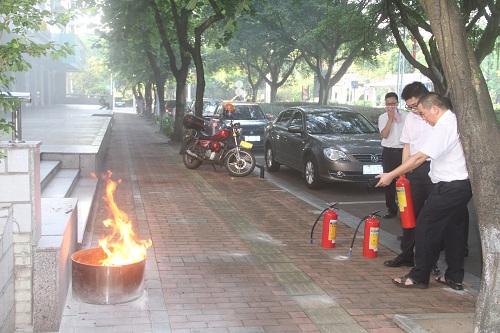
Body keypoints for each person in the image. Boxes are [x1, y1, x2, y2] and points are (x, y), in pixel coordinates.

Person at [376, 92, 472, 290]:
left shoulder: (445, 126)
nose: (423, 119)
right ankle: (454, 276)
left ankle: (419, 276)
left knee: (425, 227)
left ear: (434, 108)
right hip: (459, 185)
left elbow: (419, 158)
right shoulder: (453, 121)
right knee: (453, 231)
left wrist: (391, 175)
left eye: (422, 113)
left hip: (450, 187)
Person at [383, 82, 435, 268]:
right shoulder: (411, 119)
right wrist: (403, 173)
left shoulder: (435, 118)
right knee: (408, 213)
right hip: (413, 171)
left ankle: (429, 261)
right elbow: (407, 145)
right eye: (409, 106)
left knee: (431, 218)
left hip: (433, 170)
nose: (413, 110)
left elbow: (427, 152)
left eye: (415, 106)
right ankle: (407, 254)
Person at [378, 92, 407, 219]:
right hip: (388, 151)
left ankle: (405, 209)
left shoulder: (406, 117)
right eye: (388, 104)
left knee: (403, 181)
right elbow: (384, 134)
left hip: (402, 151)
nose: (391, 107)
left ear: (397, 103)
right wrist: (390, 119)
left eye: (393, 104)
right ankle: (391, 208)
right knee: (388, 182)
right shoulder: (382, 117)